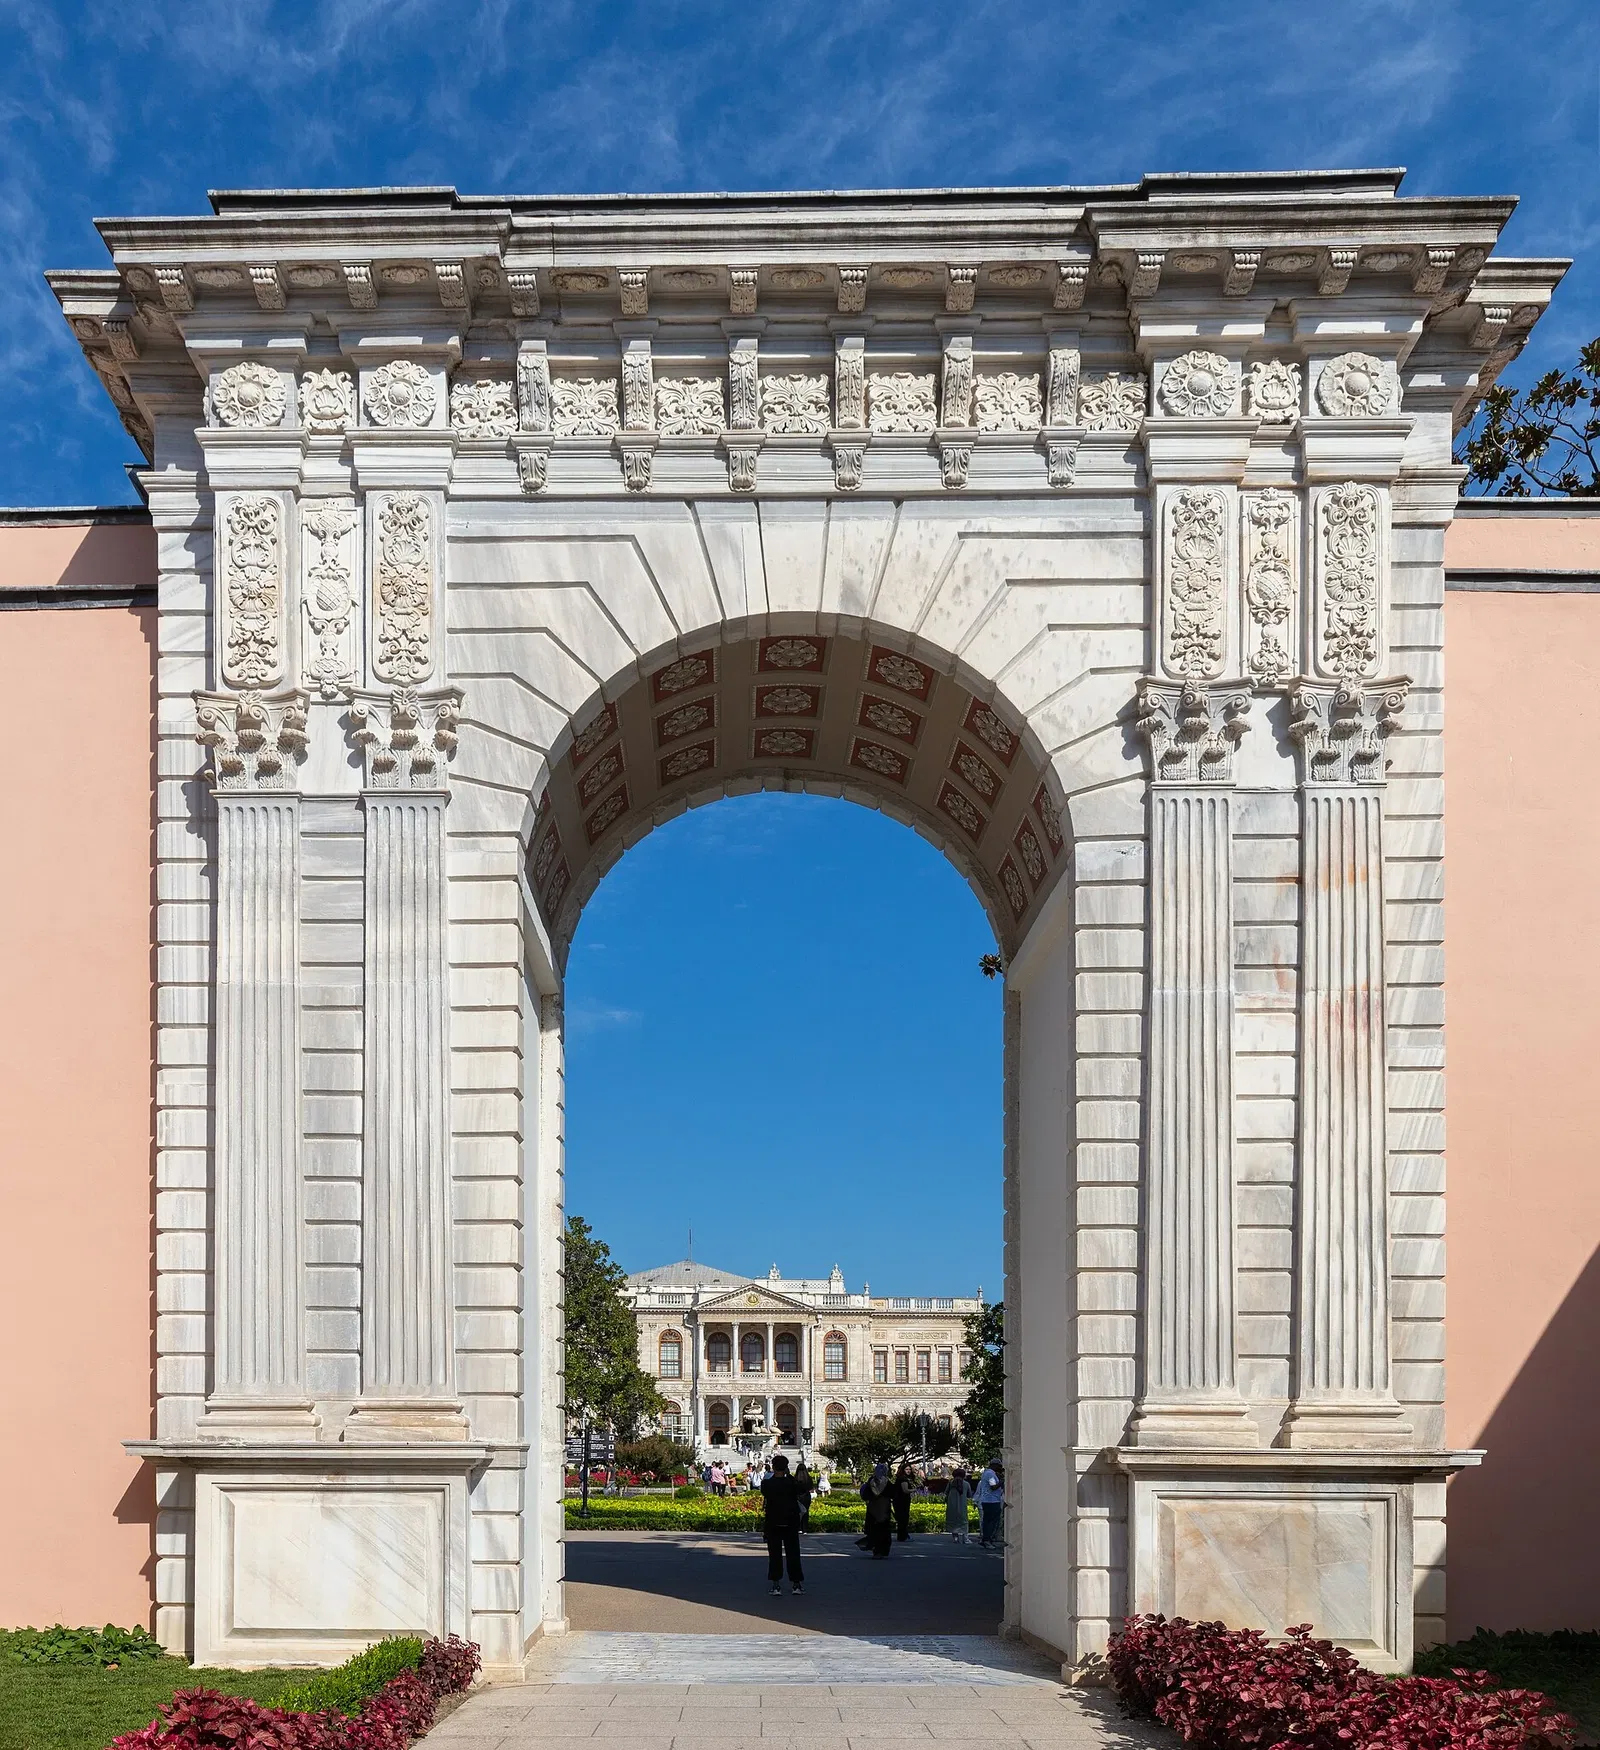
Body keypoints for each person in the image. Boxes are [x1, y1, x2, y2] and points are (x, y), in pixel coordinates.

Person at [760, 1453, 805, 1595]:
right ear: (786, 1468)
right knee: (793, 1553)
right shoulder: (791, 1484)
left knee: (774, 1554)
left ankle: (776, 1585)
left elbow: (765, 1494)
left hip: (773, 1522)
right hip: (790, 1522)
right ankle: (796, 1585)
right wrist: (789, 1476)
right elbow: (802, 1489)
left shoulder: (767, 1484)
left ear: (773, 1467)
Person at [860, 1461, 894, 1558]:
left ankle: (876, 1550)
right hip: (884, 1509)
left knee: (874, 1530)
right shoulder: (888, 1483)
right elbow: (893, 1494)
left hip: (873, 1509)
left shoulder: (871, 1481)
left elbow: (864, 1495)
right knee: (884, 1530)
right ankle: (883, 1551)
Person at [976, 1459, 1005, 1549]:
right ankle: (987, 1540)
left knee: (987, 1521)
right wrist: (1002, 1481)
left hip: (988, 1500)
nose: (1000, 1468)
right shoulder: (990, 1474)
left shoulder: (988, 1473)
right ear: (995, 1465)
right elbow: (993, 1487)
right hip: (992, 1501)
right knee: (991, 1522)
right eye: (999, 1466)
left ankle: (985, 1539)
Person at [945, 1467, 973, 1543]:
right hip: (962, 1506)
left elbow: (946, 1493)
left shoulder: (951, 1483)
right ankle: (965, 1538)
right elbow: (969, 1495)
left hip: (951, 1506)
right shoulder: (966, 1484)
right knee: (964, 1521)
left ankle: (955, 1538)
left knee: (953, 1521)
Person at [893, 1458, 914, 1542]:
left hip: (899, 1500)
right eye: (906, 1469)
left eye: (909, 1469)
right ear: (903, 1470)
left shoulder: (900, 1478)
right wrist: (914, 1490)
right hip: (902, 1501)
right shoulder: (903, 1479)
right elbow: (905, 1490)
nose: (908, 1471)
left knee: (901, 1519)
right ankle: (903, 1536)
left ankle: (902, 1536)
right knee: (903, 1519)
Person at [795, 1459, 814, 1532]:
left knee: (798, 1512)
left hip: (798, 1497)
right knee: (806, 1512)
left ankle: (799, 1528)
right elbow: (811, 1487)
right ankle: (805, 1529)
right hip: (806, 1496)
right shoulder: (808, 1478)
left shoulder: (796, 1478)